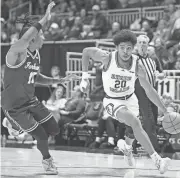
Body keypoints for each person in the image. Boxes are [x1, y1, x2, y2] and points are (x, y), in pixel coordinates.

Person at [1, 1, 79, 175]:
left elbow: (36, 77)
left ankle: (12, 124)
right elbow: (26, 37)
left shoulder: (35, 55)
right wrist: (45, 17)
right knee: (41, 136)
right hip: (14, 106)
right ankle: (47, 161)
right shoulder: (16, 52)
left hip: (30, 101)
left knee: (54, 129)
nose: (44, 37)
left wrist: (60, 80)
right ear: (33, 38)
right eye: (41, 34)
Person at [80, 30, 171, 174]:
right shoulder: (107, 58)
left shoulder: (137, 65)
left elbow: (149, 90)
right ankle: (157, 160)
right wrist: (84, 77)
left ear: (133, 48)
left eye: (129, 48)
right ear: (116, 47)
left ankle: (127, 149)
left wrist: (165, 110)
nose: (125, 51)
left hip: (130, 98)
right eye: (122, 47)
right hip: (112, 101)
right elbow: (86, 52)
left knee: (132, 130)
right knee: (135, 122)